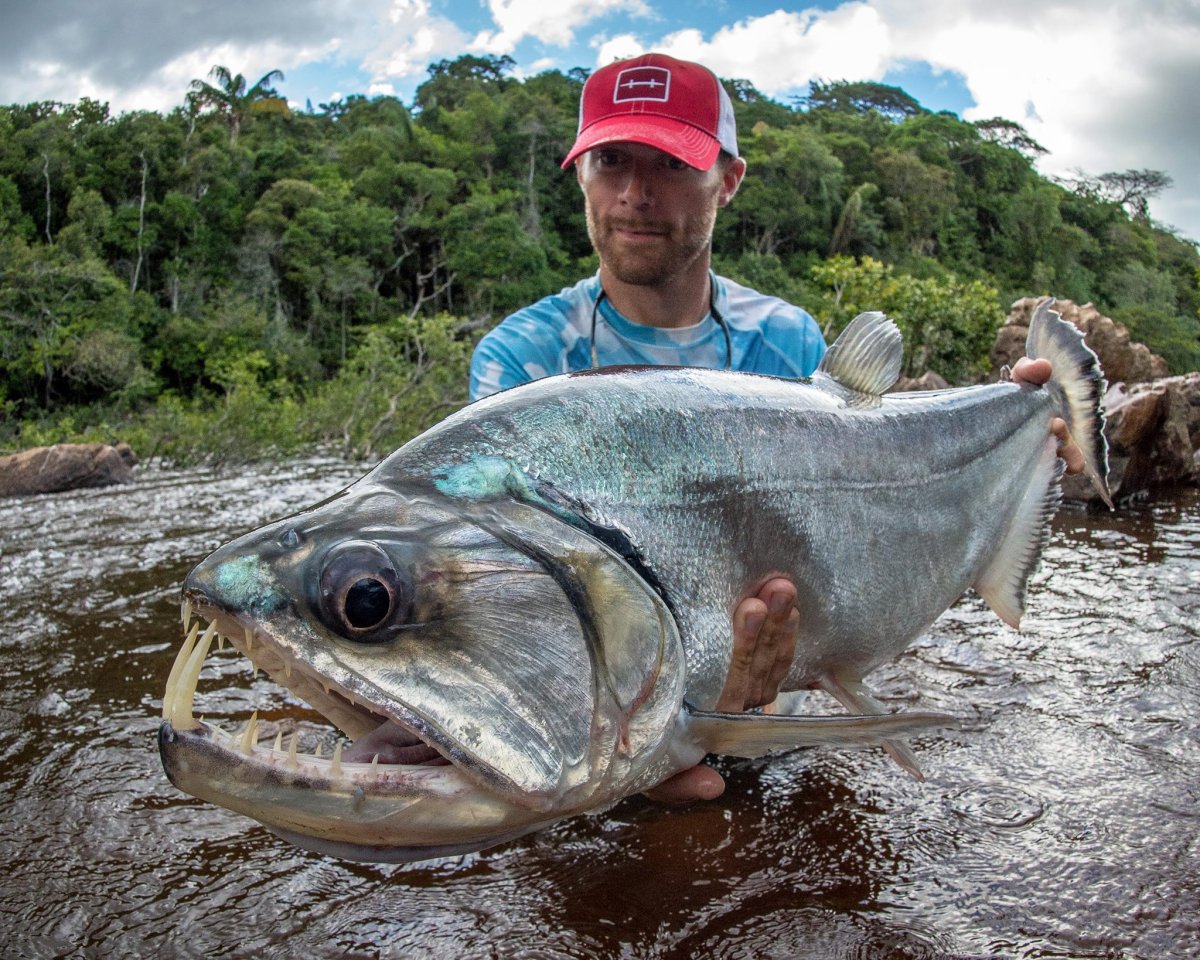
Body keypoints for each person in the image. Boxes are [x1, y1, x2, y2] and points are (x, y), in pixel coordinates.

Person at [469, 53, 1082, 803]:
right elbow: (493, 588)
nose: (634, 194)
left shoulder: (788, 341)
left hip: (767, 713)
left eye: (667, 163)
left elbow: (845, 537)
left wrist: (1019, 432)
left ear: (727, 180)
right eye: (611, 161)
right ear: (581, 173)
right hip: (581, 719)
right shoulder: (521, 358)